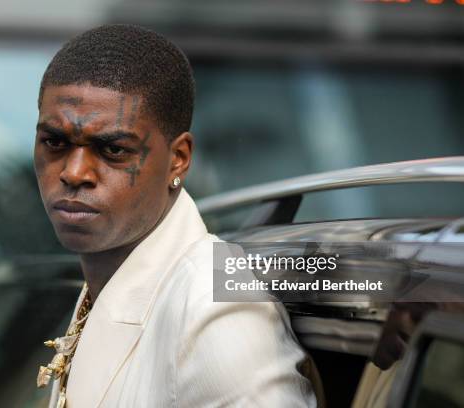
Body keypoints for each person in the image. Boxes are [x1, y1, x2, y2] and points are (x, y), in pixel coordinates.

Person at [33, 24, 317, 407]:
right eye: (55, 142)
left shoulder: (215, 310)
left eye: (114, 149)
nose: (74, 172)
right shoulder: (113, 274)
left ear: (178, 159)